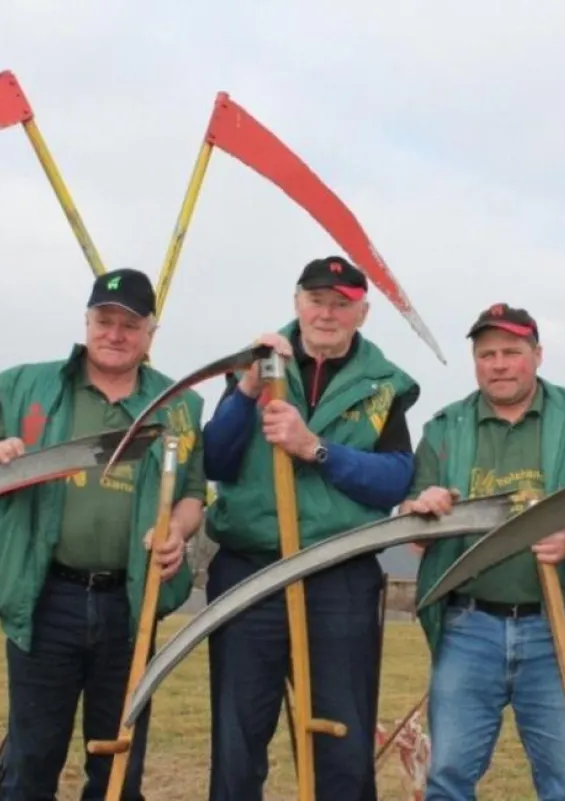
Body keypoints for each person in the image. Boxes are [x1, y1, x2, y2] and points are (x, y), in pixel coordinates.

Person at [0, 267, 208, 801]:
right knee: (32, 759)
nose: (115, 334)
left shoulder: (179, 405)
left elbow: (192, 492)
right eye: (105, 320)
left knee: (119, 765)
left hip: (130, 605)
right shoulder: (29, 386)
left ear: (150, 332)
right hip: (47, 598)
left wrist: (179, 531)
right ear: (87, 321)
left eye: (129, 324)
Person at [200, 255, 420, 801]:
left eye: (341, 304)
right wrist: (247, 390)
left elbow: (394, 480)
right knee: (237, 741)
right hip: (250, 574)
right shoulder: (255, 364)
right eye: (317, 300)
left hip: (337, 576)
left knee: (340, 743)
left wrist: (313, 448)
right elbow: (216, 460)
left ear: (362, 313)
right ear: (297, 302)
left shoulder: (384, 386)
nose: (327, 313)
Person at [402, 302, 565, 801]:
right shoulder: (444, 430)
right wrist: (420, 510)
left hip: (555, 630)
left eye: (512, 352)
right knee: (448, 779)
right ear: (475, 361)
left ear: (538, 355)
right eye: (487, 354)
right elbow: (412, 527)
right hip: (469, 628)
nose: (499, 364)